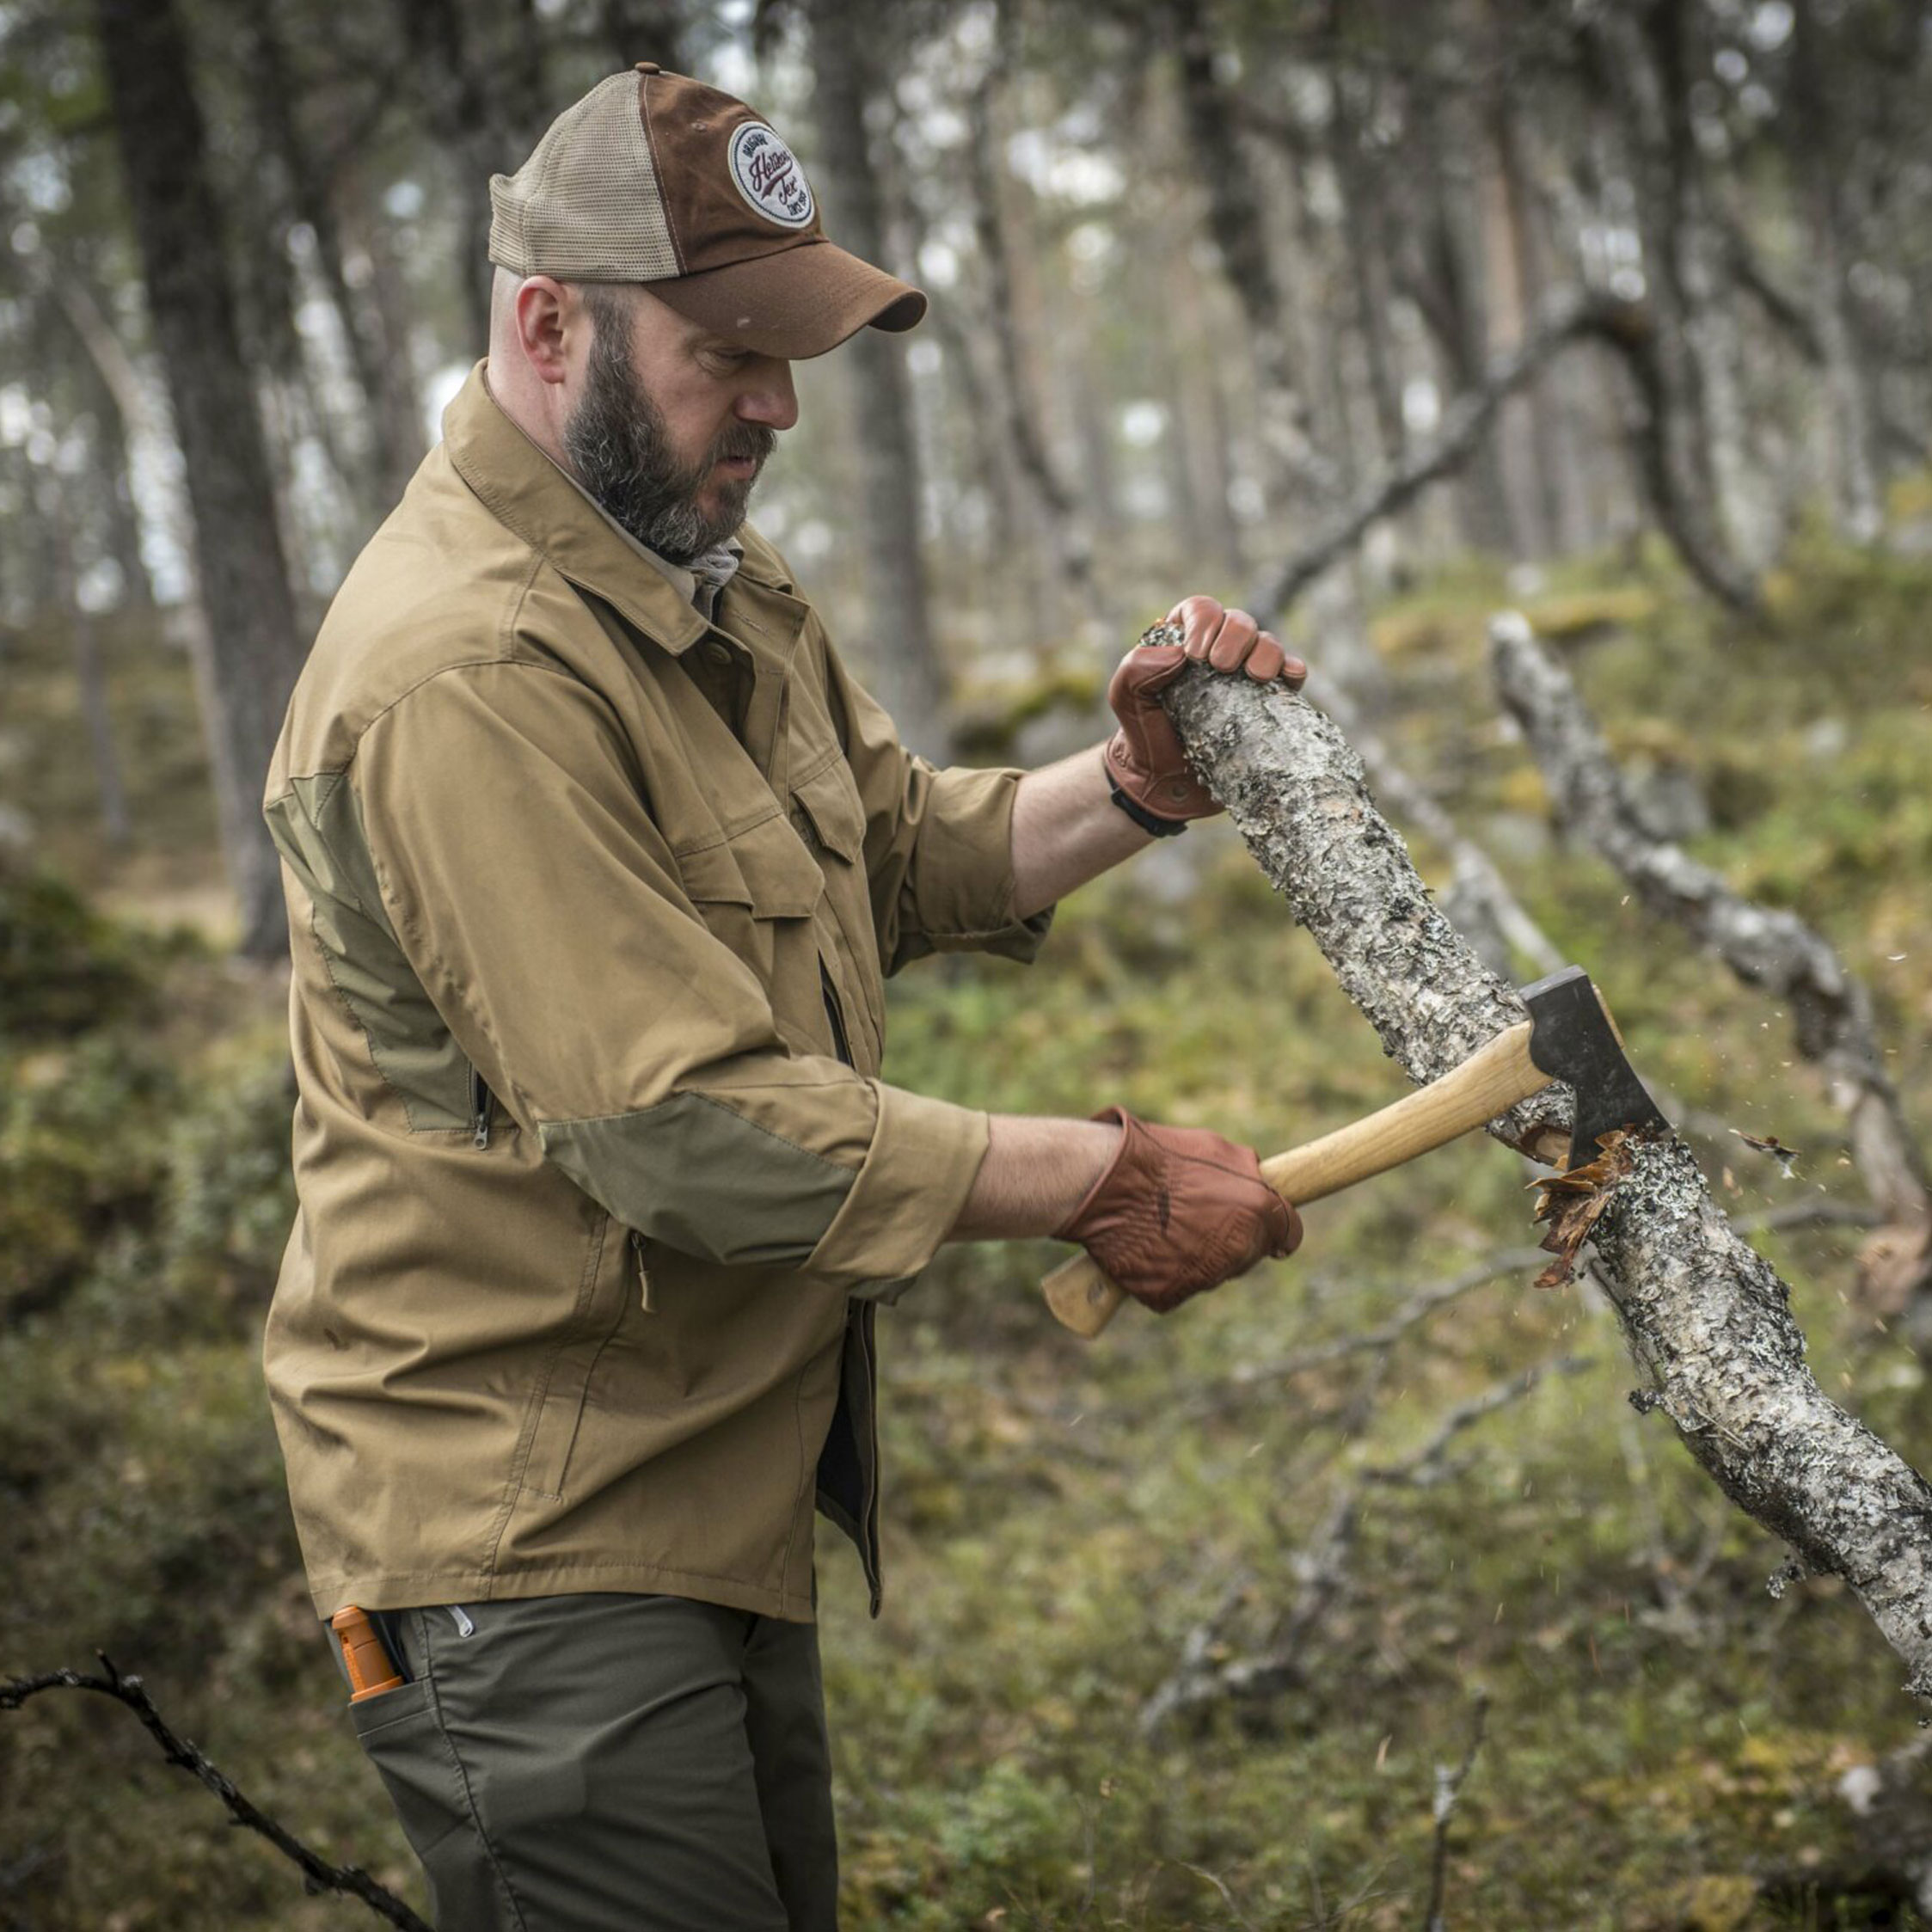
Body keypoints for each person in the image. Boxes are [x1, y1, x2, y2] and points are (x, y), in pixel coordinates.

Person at [262, 63, 1304, 1932]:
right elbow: (675, 1119)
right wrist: (1095, 1171)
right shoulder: (464, 670)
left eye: (791, 345)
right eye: (724, 349)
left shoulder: (693, 572)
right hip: (531, 1535)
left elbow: (882, 847)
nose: (774, 402)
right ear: (547, 321)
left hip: (690, 1486)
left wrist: (1135, 783)